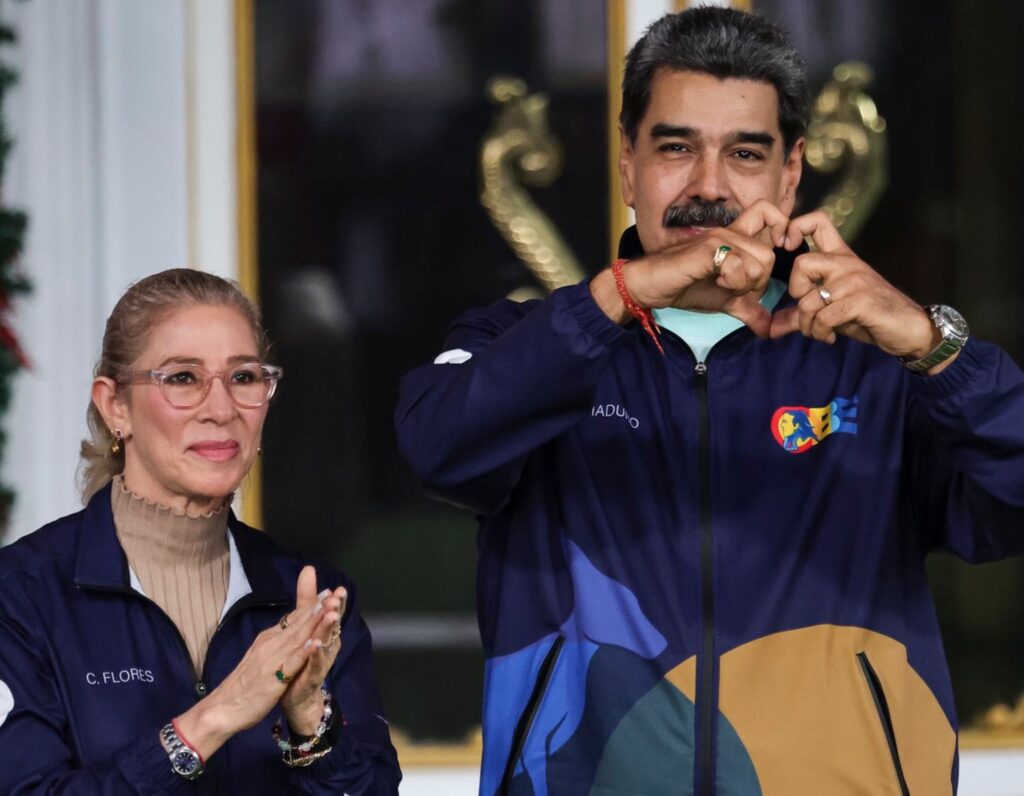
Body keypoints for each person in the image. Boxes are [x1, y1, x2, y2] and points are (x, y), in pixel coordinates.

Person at [395, 7, 1024, 796]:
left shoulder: (874, 368)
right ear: (628, 165)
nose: (708, 187)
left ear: (791, 174)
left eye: (745, 153)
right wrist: (619, 298)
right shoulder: (534, 346)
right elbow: (436, 444)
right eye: (675, 148)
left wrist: (934, 345)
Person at [0, 269, 401, 793]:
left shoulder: (306, 594)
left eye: (244, 377)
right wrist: (214, 717)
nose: (221, 409)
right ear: (115, 405)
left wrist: (309, 724)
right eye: (183, 378)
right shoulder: (21, 595)